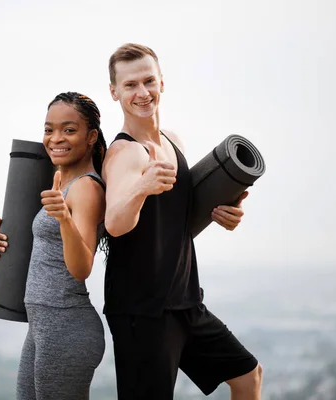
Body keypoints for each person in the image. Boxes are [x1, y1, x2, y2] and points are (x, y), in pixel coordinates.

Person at [101, 43, 263, 399]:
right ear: (114, 92)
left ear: (162, 83)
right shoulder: (124, 153)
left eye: (148, 81)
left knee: (247, 375)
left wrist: (226, 214)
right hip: (141, 311)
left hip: (185, 300)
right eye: (130, 85)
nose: (142, 93)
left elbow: (178, 218)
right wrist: (143, 186)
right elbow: (114, 223)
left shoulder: (174, 141)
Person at [0, 92, 108, 400]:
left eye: (69, 130)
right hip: (45, 326)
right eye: (48, 129)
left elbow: (81, 268)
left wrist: (64, 219)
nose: (56, 138)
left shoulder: (86, 189)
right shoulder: (61, 183)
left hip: (66, 326)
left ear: (91, 136)